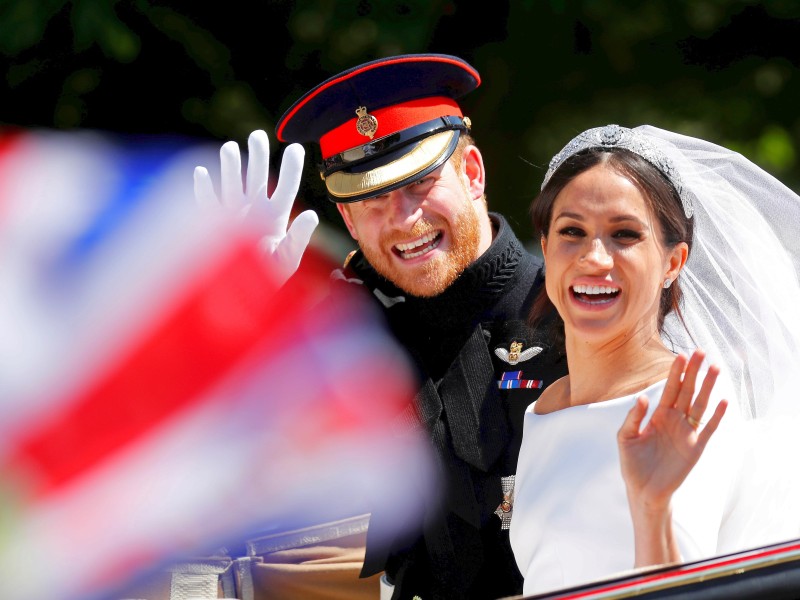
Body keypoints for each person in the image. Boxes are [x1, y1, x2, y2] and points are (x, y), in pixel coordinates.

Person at [194, 54, 567, 599]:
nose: (403, 218)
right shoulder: (343, 336)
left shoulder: (569, 312)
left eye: (419, 184)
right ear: (346, 219)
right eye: (370, 198)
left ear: (472, 173)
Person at [509, 124, 800, 596]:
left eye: (624, 234)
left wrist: (653, 507)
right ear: (545, 248)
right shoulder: (546, 405)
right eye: (571, 232)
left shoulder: (686, 402)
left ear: (673, 262)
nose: (594, 258)